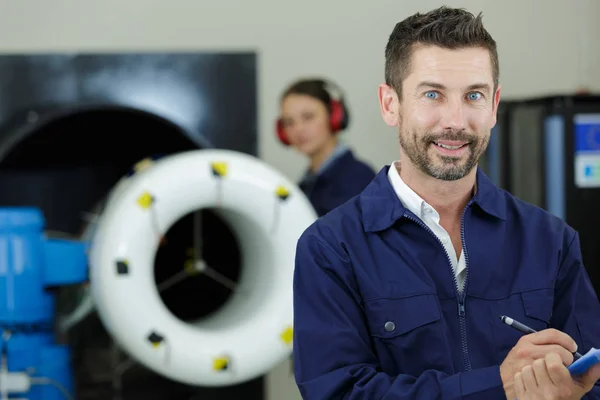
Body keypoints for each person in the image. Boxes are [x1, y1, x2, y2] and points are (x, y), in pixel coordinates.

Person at [292, 6, 600, 400]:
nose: (455, 121)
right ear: (391, 104)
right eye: (432, 94)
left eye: (474, 95)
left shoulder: (550, 239)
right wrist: (498, 386)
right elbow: (337, 393)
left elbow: (590, 378)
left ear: (493, 106)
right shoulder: (331, 247)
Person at [276, 78, 376, 217]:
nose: (298, 129)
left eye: (308, 117)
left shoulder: (357, 178)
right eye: (289, 122)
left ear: (334, 118)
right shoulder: (306, 184)